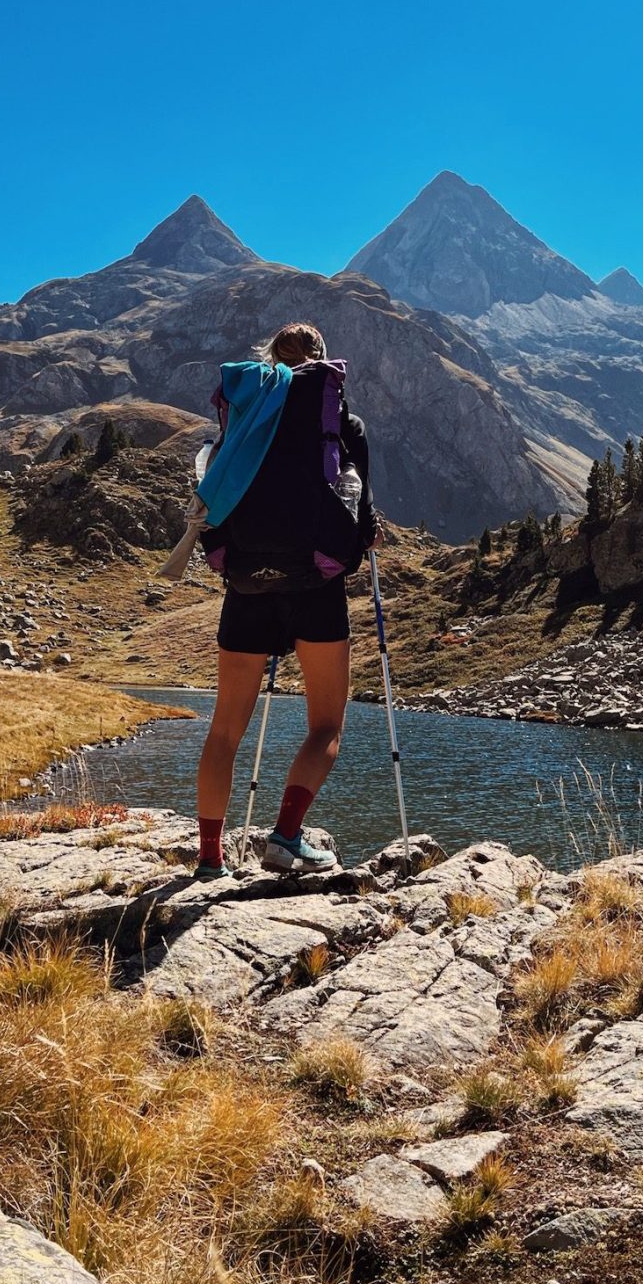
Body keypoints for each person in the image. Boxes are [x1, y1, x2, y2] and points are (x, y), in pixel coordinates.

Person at [191, 321, 378, 879]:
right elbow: (360, 512)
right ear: (322, 362)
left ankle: (209, 859)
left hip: (246, 586)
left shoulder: (242, 419)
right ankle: (286, 837)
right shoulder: (342, 423)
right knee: (325, 726)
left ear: (269, 361)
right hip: (317, 587)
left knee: (225, 730)